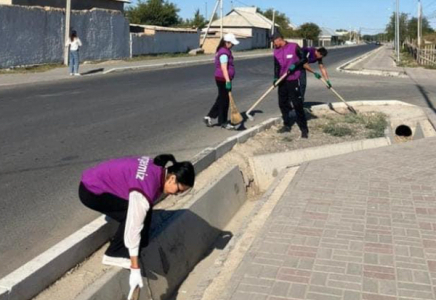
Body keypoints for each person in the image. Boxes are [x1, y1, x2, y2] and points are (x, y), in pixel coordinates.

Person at [78, 154, 195, 298]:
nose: (176, 195)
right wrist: (134, 268)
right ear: (172, 178)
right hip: (91, 190)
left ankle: (136, 247)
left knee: (142, 214)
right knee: (132, 215)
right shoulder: (145, 189)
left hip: (95, 179)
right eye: (178, 190)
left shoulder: (158, 170)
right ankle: (115, 254)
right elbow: (133, 227)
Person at [272, 32, 309, 138]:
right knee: (282, 103)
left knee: (297, 104)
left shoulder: (294, 47)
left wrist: (295, 65)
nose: (274, 44)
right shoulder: (276, 51)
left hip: (293, 80)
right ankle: (287, 125)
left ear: (279, 39)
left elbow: (304, 59)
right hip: (282, 81)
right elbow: (276, 66)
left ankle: (304, 128)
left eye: (274, 41)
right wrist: (275, 77)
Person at [203, 33, 240, 130]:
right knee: (224, 101)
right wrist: (227, 81)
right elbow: (224, 68)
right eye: (232, 43)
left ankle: (209, 116)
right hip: (223, 79)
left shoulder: (225, 51)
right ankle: (223, 122)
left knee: (221, 99)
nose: (233, 45)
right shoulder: (224, 53)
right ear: (227, 42)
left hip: (222, 78)